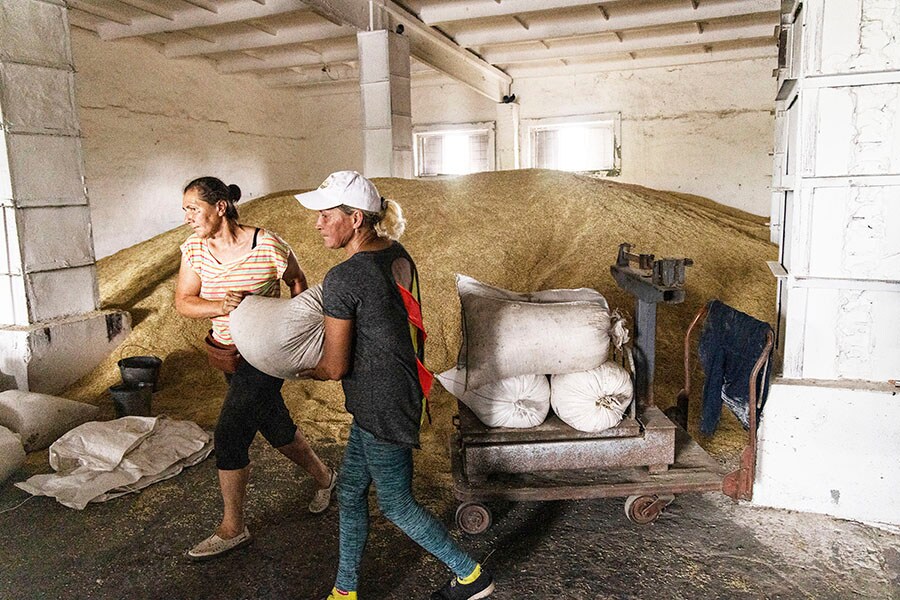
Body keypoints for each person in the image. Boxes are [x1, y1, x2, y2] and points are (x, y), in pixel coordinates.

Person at [295, 171, 495, 600]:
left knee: (397, 505)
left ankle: (471, 575)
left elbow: (332, 367)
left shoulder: (344, 278)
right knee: (349, 492)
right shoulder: (396, 254)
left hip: (380, 402)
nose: (317, 223)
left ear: (355, 219)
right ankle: (345, 590)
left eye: (326, 215)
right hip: (400, 388)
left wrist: (294, 367)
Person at [174, 176, 337, 561]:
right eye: (185, 210)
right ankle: (326, 478)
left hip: (265, 353)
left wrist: (297, 331)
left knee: (230, 435)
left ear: (220, 207)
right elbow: (184, 301)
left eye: (193, 209)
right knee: (273, 422)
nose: (187, 218)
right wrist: (221, 307)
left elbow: (297, 282)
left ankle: (233, 527)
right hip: (228, 353)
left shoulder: (268, 245)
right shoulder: (194, 250)